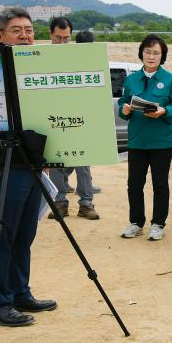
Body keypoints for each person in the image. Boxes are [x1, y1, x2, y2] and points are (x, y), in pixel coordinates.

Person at [0, 7, 56, 327]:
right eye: (16, 30)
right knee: (2, 232)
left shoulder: (35, 69)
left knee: (25, 232)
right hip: (1, 164)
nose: (25, 36)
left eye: (29, 30)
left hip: (30, 162)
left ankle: (19, 291)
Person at [119, 35, 172, 241]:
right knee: (134, 184)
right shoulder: (131, 80)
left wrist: (164, 111)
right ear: (141, 53)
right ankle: (136, 222)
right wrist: (125, 109)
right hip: (137, 140)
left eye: (156, 52)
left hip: (161, 142)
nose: (151, 56)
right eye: (148, 51)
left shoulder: (171, 80)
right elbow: (122, 103)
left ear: (162, 56)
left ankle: (158, 224)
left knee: (160, 184)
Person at [46, 17, 98, 220]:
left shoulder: (80, 57)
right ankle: (60, 203)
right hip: (53, 117)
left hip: (77, 117)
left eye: (66, 38)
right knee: (56, 162)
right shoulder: (41, 57)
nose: (62, 43)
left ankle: (86, 203)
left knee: (83, 162)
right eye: (58, 38)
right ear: (51, 35)